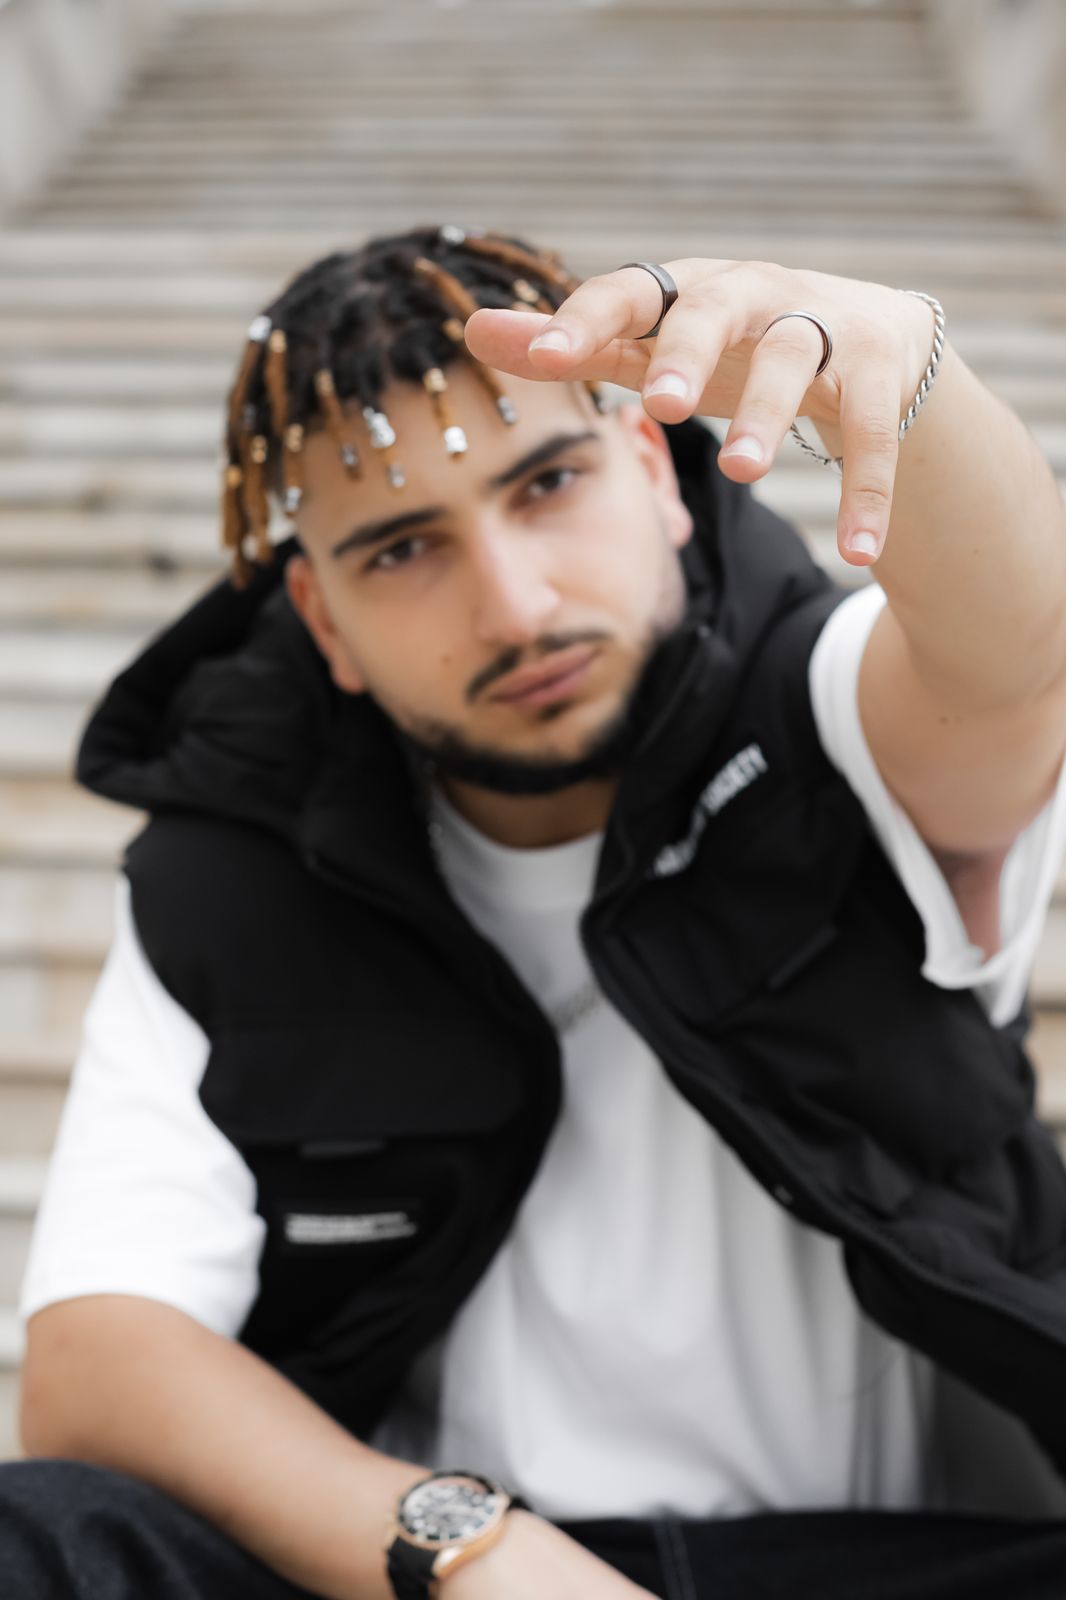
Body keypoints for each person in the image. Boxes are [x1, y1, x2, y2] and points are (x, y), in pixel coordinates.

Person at [5, 223, 1066, 1600]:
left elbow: (1012, 660)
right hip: (446, 1569)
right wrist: (472, 1554)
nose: (513, 607)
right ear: (321, 621)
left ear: (653, 471)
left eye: (548, 483)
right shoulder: (236, 873)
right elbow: (97, 1361)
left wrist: (914, 385)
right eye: (403, 549)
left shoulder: (828, 724)